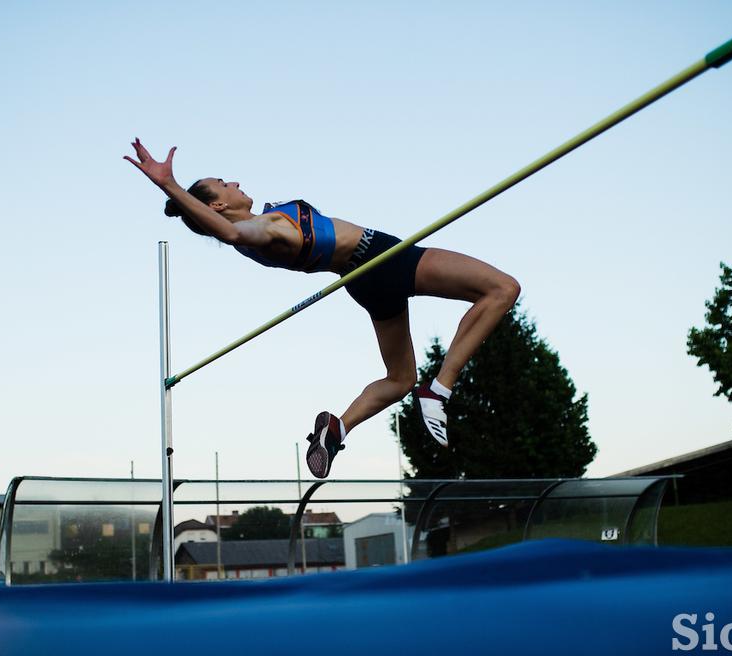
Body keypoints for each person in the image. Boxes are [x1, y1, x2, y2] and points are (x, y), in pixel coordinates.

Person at [126, 139, 520, 478]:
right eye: (224, 184)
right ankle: (440, 388)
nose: (235, 182)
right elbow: (229, 231)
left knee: (399, 379)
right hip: (385, 259)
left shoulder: (258, 234)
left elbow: (232, 230)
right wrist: (169, 185)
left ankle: (337, 429)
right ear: (218, 205)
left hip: (362, 279)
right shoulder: (261, 231)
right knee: (502, 289)